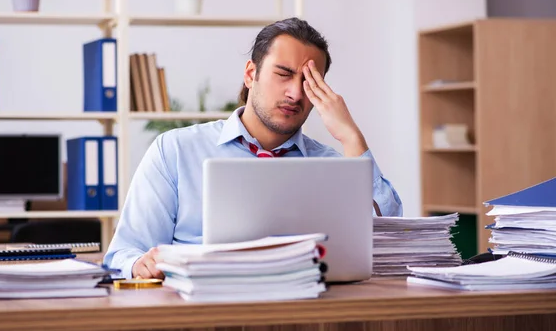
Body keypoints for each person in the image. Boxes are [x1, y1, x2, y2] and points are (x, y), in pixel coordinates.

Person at [103, 17, 403, 279]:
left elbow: (391, 240)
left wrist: (351, 138)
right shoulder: (175, 149)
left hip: (305, 310)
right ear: (251, 74)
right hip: (198, 309)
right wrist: (140, 264)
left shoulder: (334, 164)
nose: (296, 93)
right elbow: (123, 253)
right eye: (283, 74)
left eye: (310, 82)